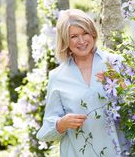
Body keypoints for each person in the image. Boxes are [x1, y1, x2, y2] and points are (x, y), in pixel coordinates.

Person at [36, 9, 125, 157]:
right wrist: (61, 124)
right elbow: (44, 133)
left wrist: (120, 84)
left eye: (85, 33)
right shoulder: (57, 76)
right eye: (74, 36)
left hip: (119, 151)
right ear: (65, 40)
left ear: (93, 33)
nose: (82, 41)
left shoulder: (115, 63)